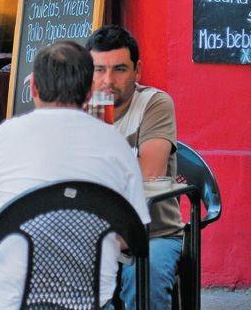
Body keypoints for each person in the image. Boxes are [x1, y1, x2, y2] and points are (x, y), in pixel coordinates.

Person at [0, 40, 150, 310]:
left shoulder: (2, 136)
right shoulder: (116, 146)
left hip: (8, 302)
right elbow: (131, 234)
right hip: (88, 302)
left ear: (32, 88)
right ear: (90, 92)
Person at [86, 25, 183, 310]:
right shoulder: (78, 107)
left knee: (145, 277)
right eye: (98, 70)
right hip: (91, 231)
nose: (107, 81)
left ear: (137, 70)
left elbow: (148, 173)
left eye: (119, 69)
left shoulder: (154, 104)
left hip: (153, 232)